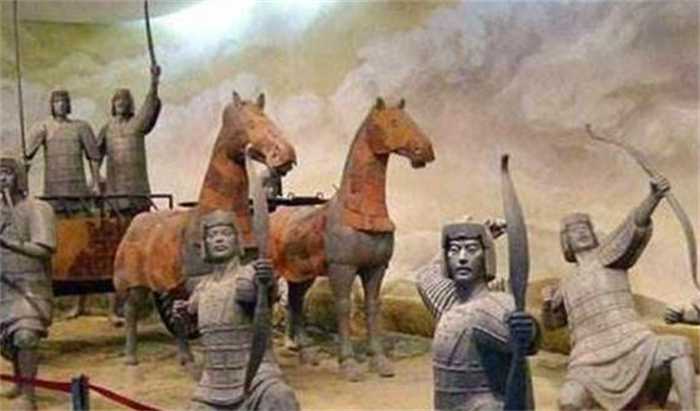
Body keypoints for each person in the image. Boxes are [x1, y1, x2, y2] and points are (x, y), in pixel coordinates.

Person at [541, 175, 696, 410]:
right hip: (588, 358)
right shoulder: (565, 285)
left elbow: (630, 229)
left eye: (585, 228)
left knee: (678, 346)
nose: (581, 233)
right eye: (574, 231)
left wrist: (653, 198)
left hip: (633, 341)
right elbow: (553, 323)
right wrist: (546, 303)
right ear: (566, 242)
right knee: (568, 401)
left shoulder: (608, 256)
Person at [173, 210, 299, 411]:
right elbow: (190, 328)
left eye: (226, 233)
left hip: (255, 376)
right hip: (214, 382)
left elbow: (265, 295)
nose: (219, 239)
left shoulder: (249, 276)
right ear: (205, 244)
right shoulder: (201, 289)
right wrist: (181, 317)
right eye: (212, 235)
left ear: (237, 240)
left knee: (279, 397)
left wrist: (266, 282)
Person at [416, 221, 539, 411]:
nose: (462, 258)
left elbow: (522, 334)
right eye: (454, 250)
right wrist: (483, 234)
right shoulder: (448, 305)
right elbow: (425, 276)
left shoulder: (496, 304)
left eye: (472, 249)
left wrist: (529, 330)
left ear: (486, 257)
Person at [0, 156, 56, 411]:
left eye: (7, 173)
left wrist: (10, 244)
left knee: (25, 336)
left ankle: (29, 396)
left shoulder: (37, 209)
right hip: (4, 286)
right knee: (9, 340)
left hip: (30, 286)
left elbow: (45, 249)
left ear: (19, 177)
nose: (2, 178)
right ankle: (20, 382)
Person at [96, 65, 162, 214]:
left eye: (124, 100)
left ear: (130, 104)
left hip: (137, 192)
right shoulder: (107, 129)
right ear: (113, 104)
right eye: (117, 100)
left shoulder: (137, 124)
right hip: (114, 194)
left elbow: (149, 104)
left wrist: (154, 82)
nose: (120, 103)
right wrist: (95, 178)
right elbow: (96, 156)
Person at [26, 90, 101, 214]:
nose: (60, 104)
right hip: (53, 192)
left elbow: (94, 157)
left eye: (63, 101)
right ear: (52, 105)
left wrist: (96, 183)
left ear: (68, 104)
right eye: (57, 101)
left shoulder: (81, 127)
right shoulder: (44, 127)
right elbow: (27, 156)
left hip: (77, 192)